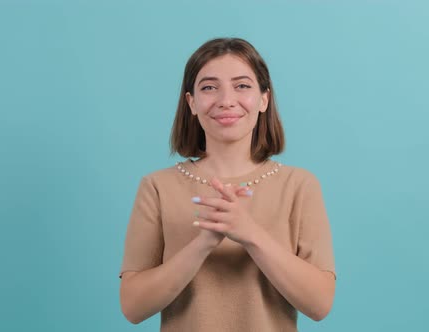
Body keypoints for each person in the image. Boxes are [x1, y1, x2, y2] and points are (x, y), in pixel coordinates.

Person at [119, 37, 336, 331]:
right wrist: (205, 243)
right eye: (209, 87)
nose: (226, 100)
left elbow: (320, 304)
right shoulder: (157, 187)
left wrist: (249, 234)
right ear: (191, 102)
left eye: (242, 85)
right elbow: (133, 307)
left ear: (264, 99)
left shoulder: (299, 185)